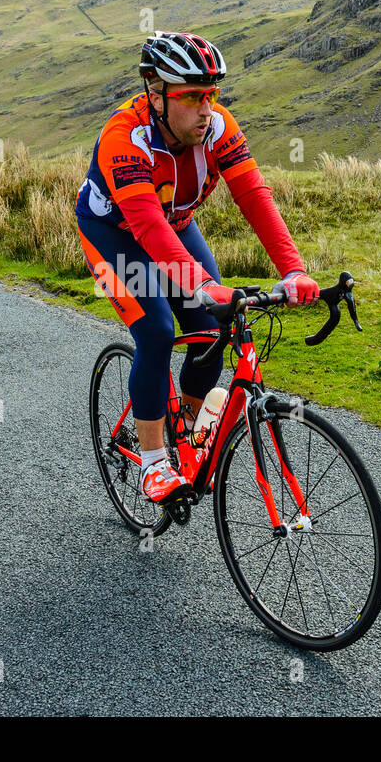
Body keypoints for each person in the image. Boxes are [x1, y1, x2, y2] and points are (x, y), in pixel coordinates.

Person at [75, 31, 321, 504]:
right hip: (113, 236)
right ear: (156, 93)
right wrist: (205, 284)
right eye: (191, 96)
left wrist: (294, 270)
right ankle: (152, 462)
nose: (206, 108)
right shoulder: (124, 138)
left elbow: (253, 196)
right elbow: (146, 227)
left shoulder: (219, 128)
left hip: (174, 226)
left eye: (212, 94)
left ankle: (182, 428)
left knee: (211, 331)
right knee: (157, 331)